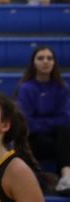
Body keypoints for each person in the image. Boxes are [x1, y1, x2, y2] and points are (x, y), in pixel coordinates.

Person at [16, 46, 70, 192]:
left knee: (65, 132)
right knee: (63, 139)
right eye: (41, 58)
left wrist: (42, 122)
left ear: (54, 63)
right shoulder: (26, 88)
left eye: (49, 58)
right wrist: (51, 122)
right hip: (34, 141)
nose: (45, 61)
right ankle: (61, 177)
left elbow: (65, 118)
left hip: (58, 137)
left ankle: (66, 177)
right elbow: (26, 122)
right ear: (33, 63)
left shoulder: (62, 88)